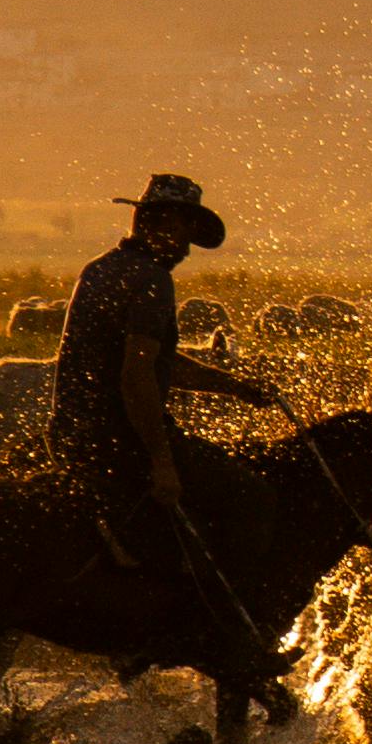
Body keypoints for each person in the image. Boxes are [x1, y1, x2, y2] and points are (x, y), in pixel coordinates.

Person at [52, 174, 271, 589]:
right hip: (116, 438)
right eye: (187, 234)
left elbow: (157, 364)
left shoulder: (99, 269)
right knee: (250, 494)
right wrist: (162, 460)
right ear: (166, 223)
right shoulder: (152, 279)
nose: (187, 250)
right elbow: (137, 377)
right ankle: (226, 609)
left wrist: (236, 387)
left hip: (70, 433)